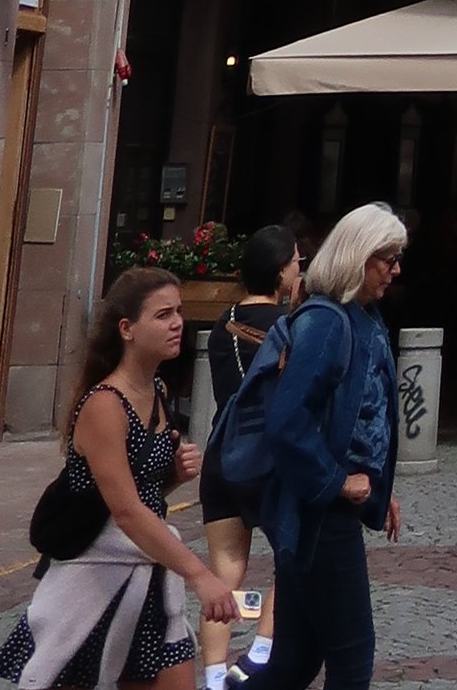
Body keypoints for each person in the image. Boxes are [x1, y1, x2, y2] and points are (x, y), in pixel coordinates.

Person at [0, 266, 232, 687]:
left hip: (147, 577)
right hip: (93, 586)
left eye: (178, 311)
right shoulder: (105, 404)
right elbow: (124, 510)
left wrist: (170, 478)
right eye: (162, 315)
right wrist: (201, 575)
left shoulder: (155, 391)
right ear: (127, 329)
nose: (177, 322)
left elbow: (134, 496)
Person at [253, 205, 405, 690]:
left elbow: (362, 419)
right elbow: (286, 421)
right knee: (352, 656)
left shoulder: (363, 317)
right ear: (358, 257)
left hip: (321, 511)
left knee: (295, 661)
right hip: (319, 516)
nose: (396, 270)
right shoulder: (327, 322)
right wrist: (337, 481)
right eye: (387, 258)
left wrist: (380, 485)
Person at [200, 225, 304, 676]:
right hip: (271, 458)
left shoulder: (222, 324)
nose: (301, 272)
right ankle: (260, 654)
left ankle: (214, 675)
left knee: (225, 575)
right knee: (291, 560)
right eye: (297, 263)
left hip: (222, 453)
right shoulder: (292, 327)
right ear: (281, 272)